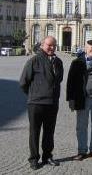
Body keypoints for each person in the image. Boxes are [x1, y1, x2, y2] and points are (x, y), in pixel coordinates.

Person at [20, 36, 64, 170]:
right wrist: (34, 94)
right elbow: (23, 82)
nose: (51, 48)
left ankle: (47, 156)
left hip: (52, 103)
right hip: (36, 103)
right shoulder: (33, 61)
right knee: (34, 132)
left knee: (49, 132)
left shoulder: (58, 62)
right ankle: (33, 158)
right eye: (49, 45)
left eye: (54, 45)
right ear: (42, 45)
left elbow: (59, 80)